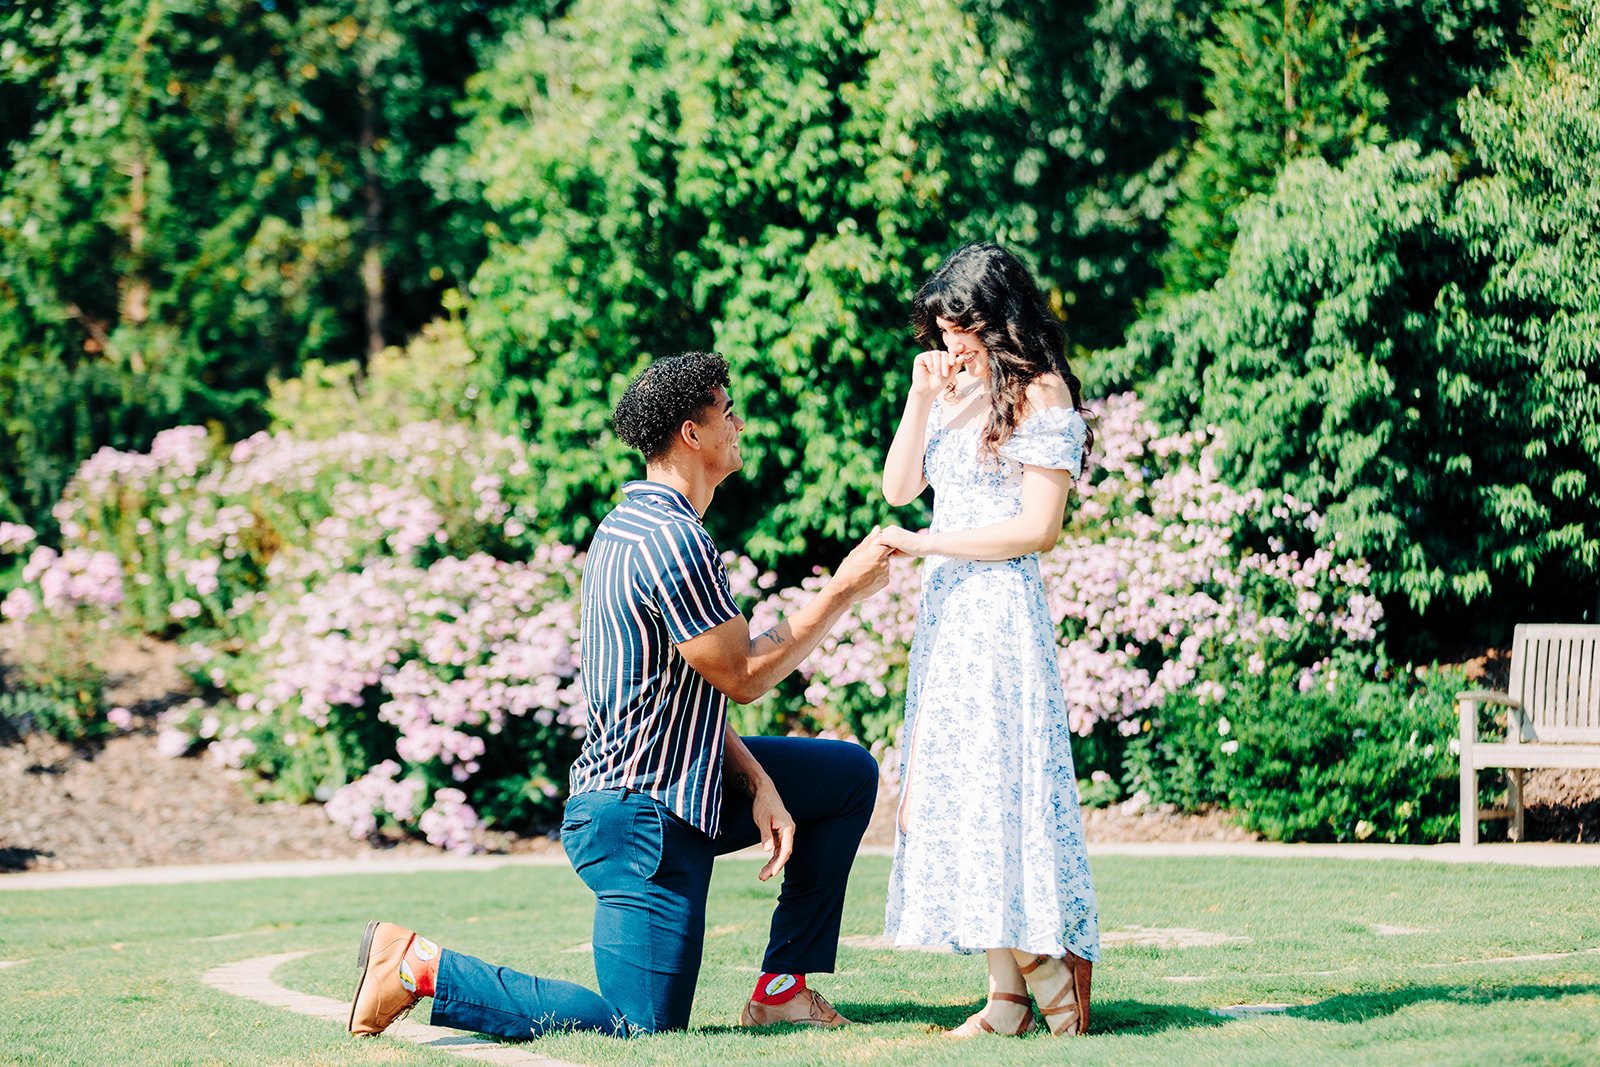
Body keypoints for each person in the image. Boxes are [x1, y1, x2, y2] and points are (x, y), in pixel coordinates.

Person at [348, 351, 894, 1041]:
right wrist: (843, 588)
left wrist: (758, 780)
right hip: (641, 819)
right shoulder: (672, 539)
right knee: (640, 1027)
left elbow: (686, 686)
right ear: (692, 434)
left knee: (844, 777)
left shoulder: (629, 524)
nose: (740, 422)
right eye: (728, 411)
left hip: (679, 790)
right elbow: (743, 676)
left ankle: (783, 988)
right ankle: (419, 966)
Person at [877, 242, 1100, 1038]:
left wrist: (927, 543)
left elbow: (1038, 529)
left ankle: (1042, 966)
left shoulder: (1042, 395)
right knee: (949, 792)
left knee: (991, 789)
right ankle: (1008, 995)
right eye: (940, 330)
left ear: (999, 317)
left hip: (999, 613)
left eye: (961, 327)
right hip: (947, 616)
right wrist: (917, 398)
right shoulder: (949, 389)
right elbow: (899, 488)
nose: (949, 344)